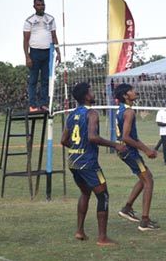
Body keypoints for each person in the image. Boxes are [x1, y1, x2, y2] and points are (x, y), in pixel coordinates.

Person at [61, 82, 126, 245]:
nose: (93, 93)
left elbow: (63, 140)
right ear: (86, 95)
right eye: (91, 91)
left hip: (74, 162)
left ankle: (80, 231)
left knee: (85, 193)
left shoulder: (72, 114)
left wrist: (77, 148)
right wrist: (115, 144)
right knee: (103, 195)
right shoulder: (92, 114)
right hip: (88, 163)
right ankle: (102, 237)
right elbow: (92, 137)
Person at [113, 84, 160, 231]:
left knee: (144, 178)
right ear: (126, 96)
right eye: (131, 91)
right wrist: (147, 150)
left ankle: (127, 209)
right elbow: (126, 137)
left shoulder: (120, 110)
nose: (135, 92)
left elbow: (128, 136)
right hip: (128, 151)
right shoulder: (129, 112)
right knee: (148, 180)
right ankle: (145, 221)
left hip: (124, 149)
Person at [23, 0, 60, 112]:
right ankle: (33, 105)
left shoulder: (50, 19)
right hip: (34, 52)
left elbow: (54, 36)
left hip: (48, 52)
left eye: (42, 5)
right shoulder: (29, 20)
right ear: (34, 6)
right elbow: (25, 40)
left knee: (46, 79)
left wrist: (58, 52)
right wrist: (27, 56)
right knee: (33, 79)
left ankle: (44, 103)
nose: (41, 7)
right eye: (38, 5)